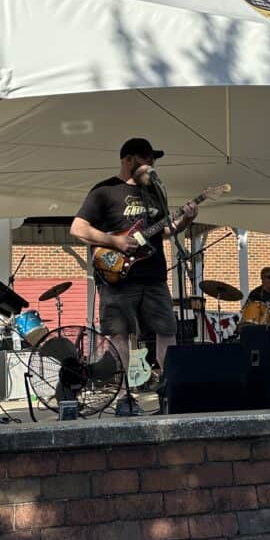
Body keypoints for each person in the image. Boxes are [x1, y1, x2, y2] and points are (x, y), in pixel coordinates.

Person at [70, 138, 197, 374]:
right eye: (145, 159)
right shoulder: (104, 191)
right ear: (127, 160)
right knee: (119, 335)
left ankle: (169, 388)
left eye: (153, 160)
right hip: (118, 277)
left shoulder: (154, 192)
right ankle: (122, 396)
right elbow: (78, 228)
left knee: (167, 331)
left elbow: (164, 230)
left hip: (154, 276)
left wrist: (186, 219)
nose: (151, 164)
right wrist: (114, 240)